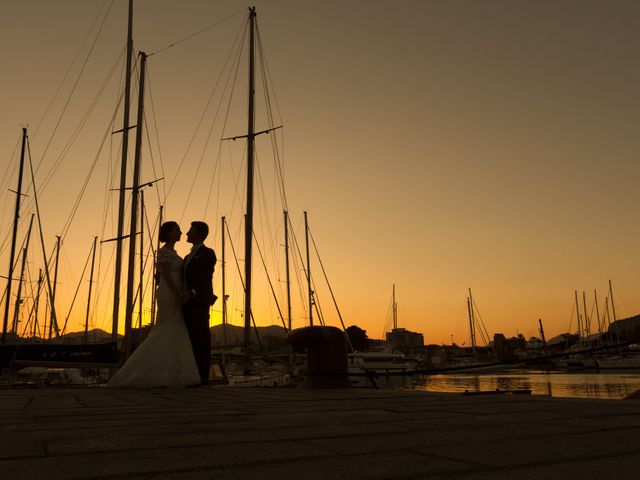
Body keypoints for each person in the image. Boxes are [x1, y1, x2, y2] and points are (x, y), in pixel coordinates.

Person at [107, 221, 200, 388]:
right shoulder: (164, 252)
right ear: (170, 233)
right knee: (166, 327)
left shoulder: (173, 253)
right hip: (170, 293)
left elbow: (162, 275)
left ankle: (172, 371)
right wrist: (178, 293)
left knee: (175, 328)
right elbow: (166, 275)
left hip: (174, 292)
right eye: (177, 230)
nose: (180, 232)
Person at [182, 221, 217, 386]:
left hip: (200, 301)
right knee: (189, 338)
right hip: (186, 303)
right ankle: (190, 373)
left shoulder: (208, 253)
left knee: (201, 337)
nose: (187, 234)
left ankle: (203, 376)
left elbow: (205, 276)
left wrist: (193, 292)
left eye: (190, 231)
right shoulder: (187, 257)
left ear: (199, 234)